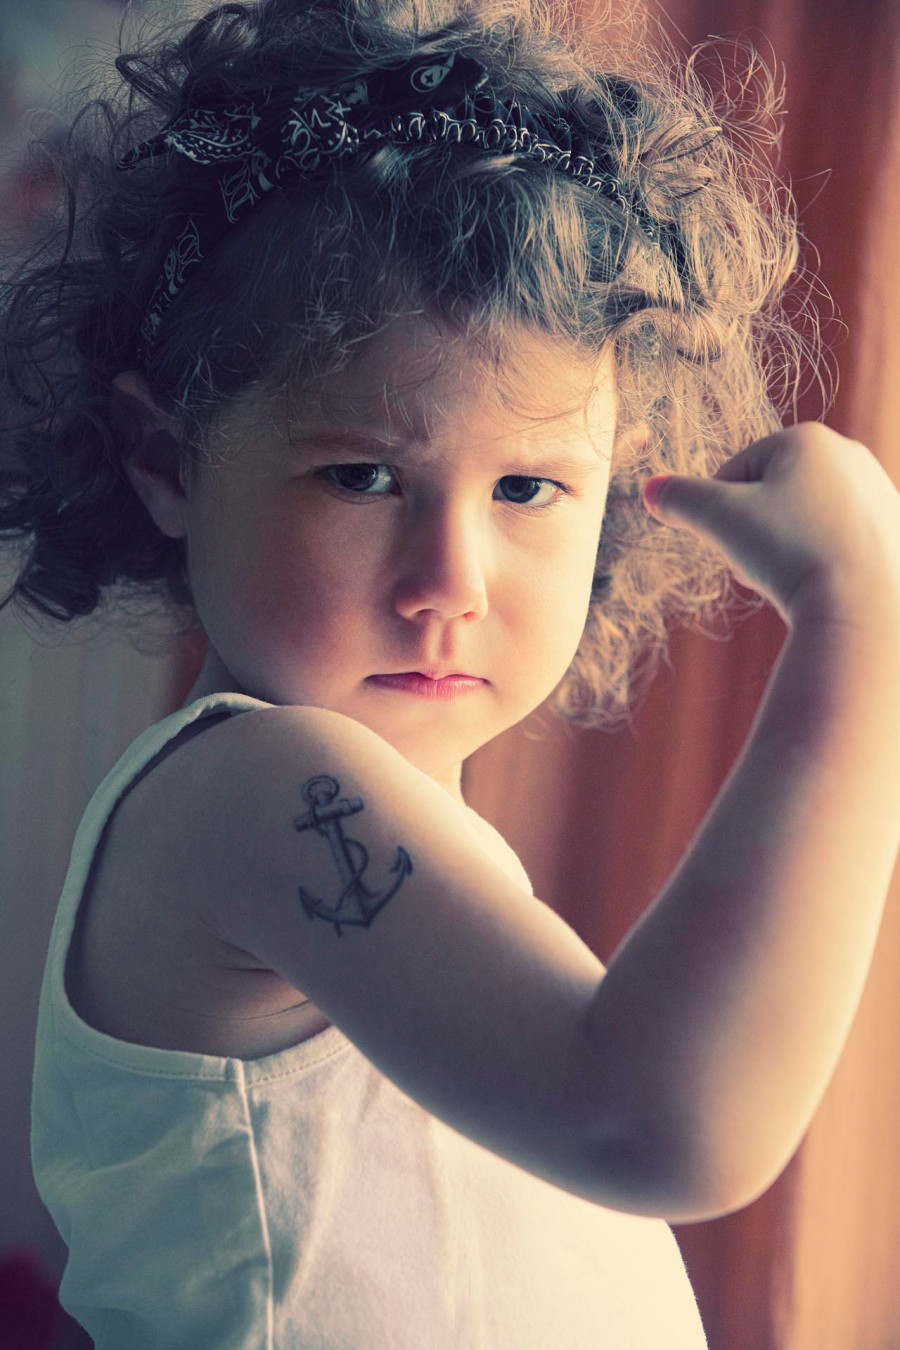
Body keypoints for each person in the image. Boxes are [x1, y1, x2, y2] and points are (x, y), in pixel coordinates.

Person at [4, 1, 900, 1346]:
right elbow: (659, 1119)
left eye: (528, 487)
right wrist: (859, 618)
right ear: (167, 463)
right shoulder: (252, 790)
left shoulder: (374, 828)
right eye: (362, 477)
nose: (451, 580)